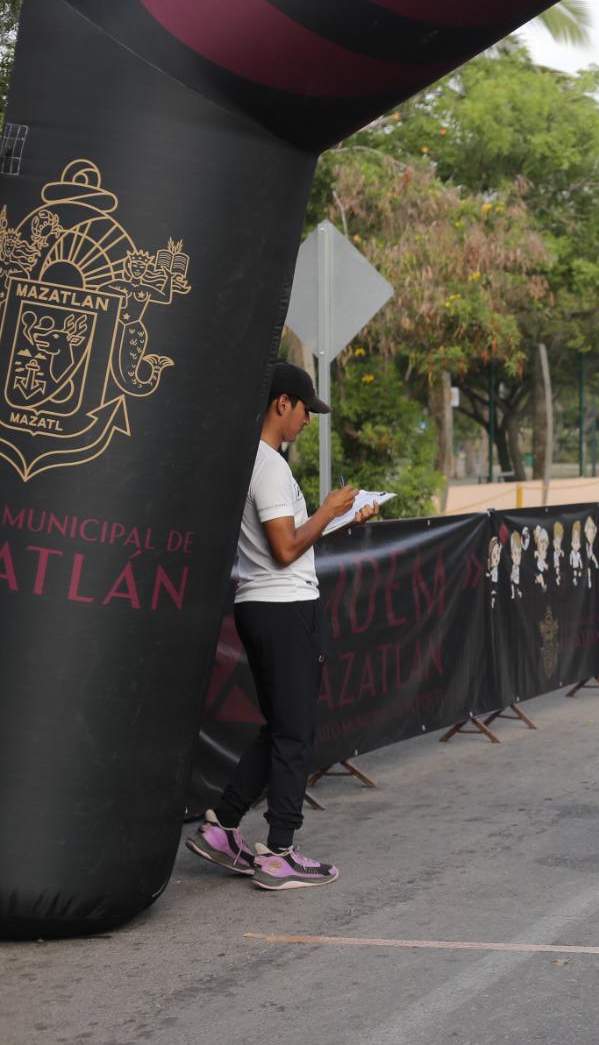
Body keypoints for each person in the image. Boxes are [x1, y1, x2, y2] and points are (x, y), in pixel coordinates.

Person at [185, 362, 378, 890]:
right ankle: (281, 852)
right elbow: (286, 547)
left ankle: (223, 827)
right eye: (304, 412)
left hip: (263, 603)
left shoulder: (254, 461)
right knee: (295, 734)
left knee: (280, 728)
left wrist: (338, 518)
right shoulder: (268, 466)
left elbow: (287, 543)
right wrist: (330, 506)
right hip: (284, 609)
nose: (307, 424)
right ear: (282, 403)